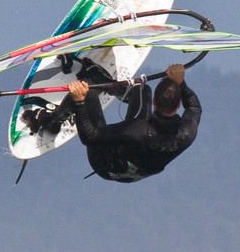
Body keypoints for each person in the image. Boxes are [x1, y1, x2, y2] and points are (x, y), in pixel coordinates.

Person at [38, 63, 201, 183]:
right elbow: (194, 107)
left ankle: (52, 122)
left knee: (89, 93)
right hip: (137, 170)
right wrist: (180, 83)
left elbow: (90, 137)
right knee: (142, 90)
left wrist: (79, 101)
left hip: (105, 165)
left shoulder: (137, 130)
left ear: (155, 103)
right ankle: (104, 81)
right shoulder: (186, 133)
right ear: (178, 105)